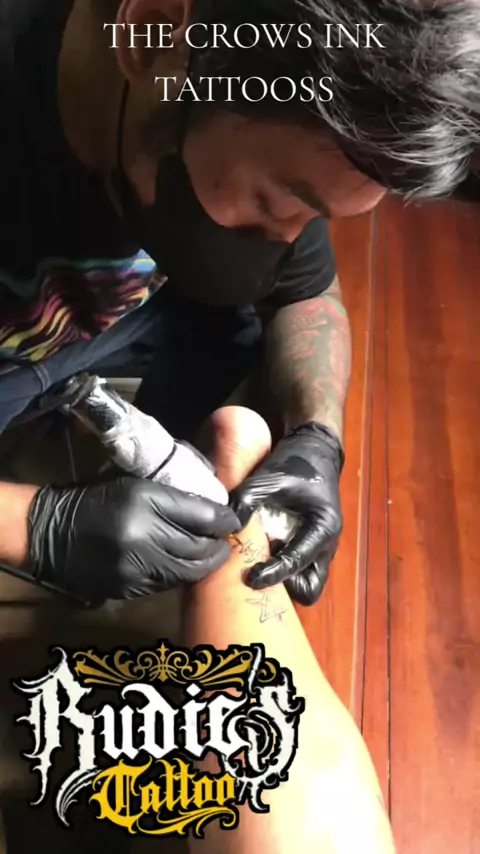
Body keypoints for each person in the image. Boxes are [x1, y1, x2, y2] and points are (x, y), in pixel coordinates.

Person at [0, 0, 478, 609]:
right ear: (153, 36)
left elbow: (307, 294)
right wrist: (34, 525)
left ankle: (119, 491)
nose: (285, 242)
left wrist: (317, 436)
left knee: (246, 334)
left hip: (96, 324)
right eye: (274, 203)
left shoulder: (249, 98)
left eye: (309, 215)